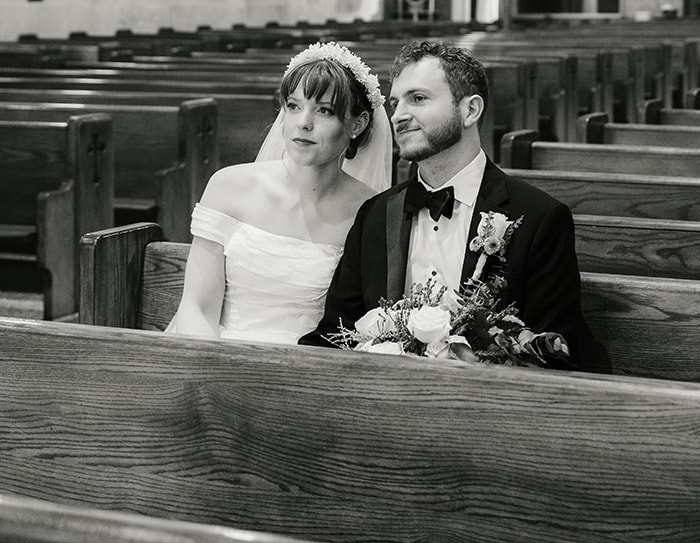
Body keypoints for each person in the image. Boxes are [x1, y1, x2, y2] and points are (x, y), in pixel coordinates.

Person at [300, 38, 611, 372]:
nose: (398, 116)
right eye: (395, 103)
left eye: (417, 99)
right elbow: (336, 335)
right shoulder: (376, 215)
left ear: (470, 110)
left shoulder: (537, 219)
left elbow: (553, 350)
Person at [165, 43, 392, 343]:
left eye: (323, 110)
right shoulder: (228, 187)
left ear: (357, 123)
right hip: (214, 354)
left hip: (308, 370)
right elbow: (197, 307)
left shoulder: (370, 211)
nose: (303, 123)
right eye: (294, 106)